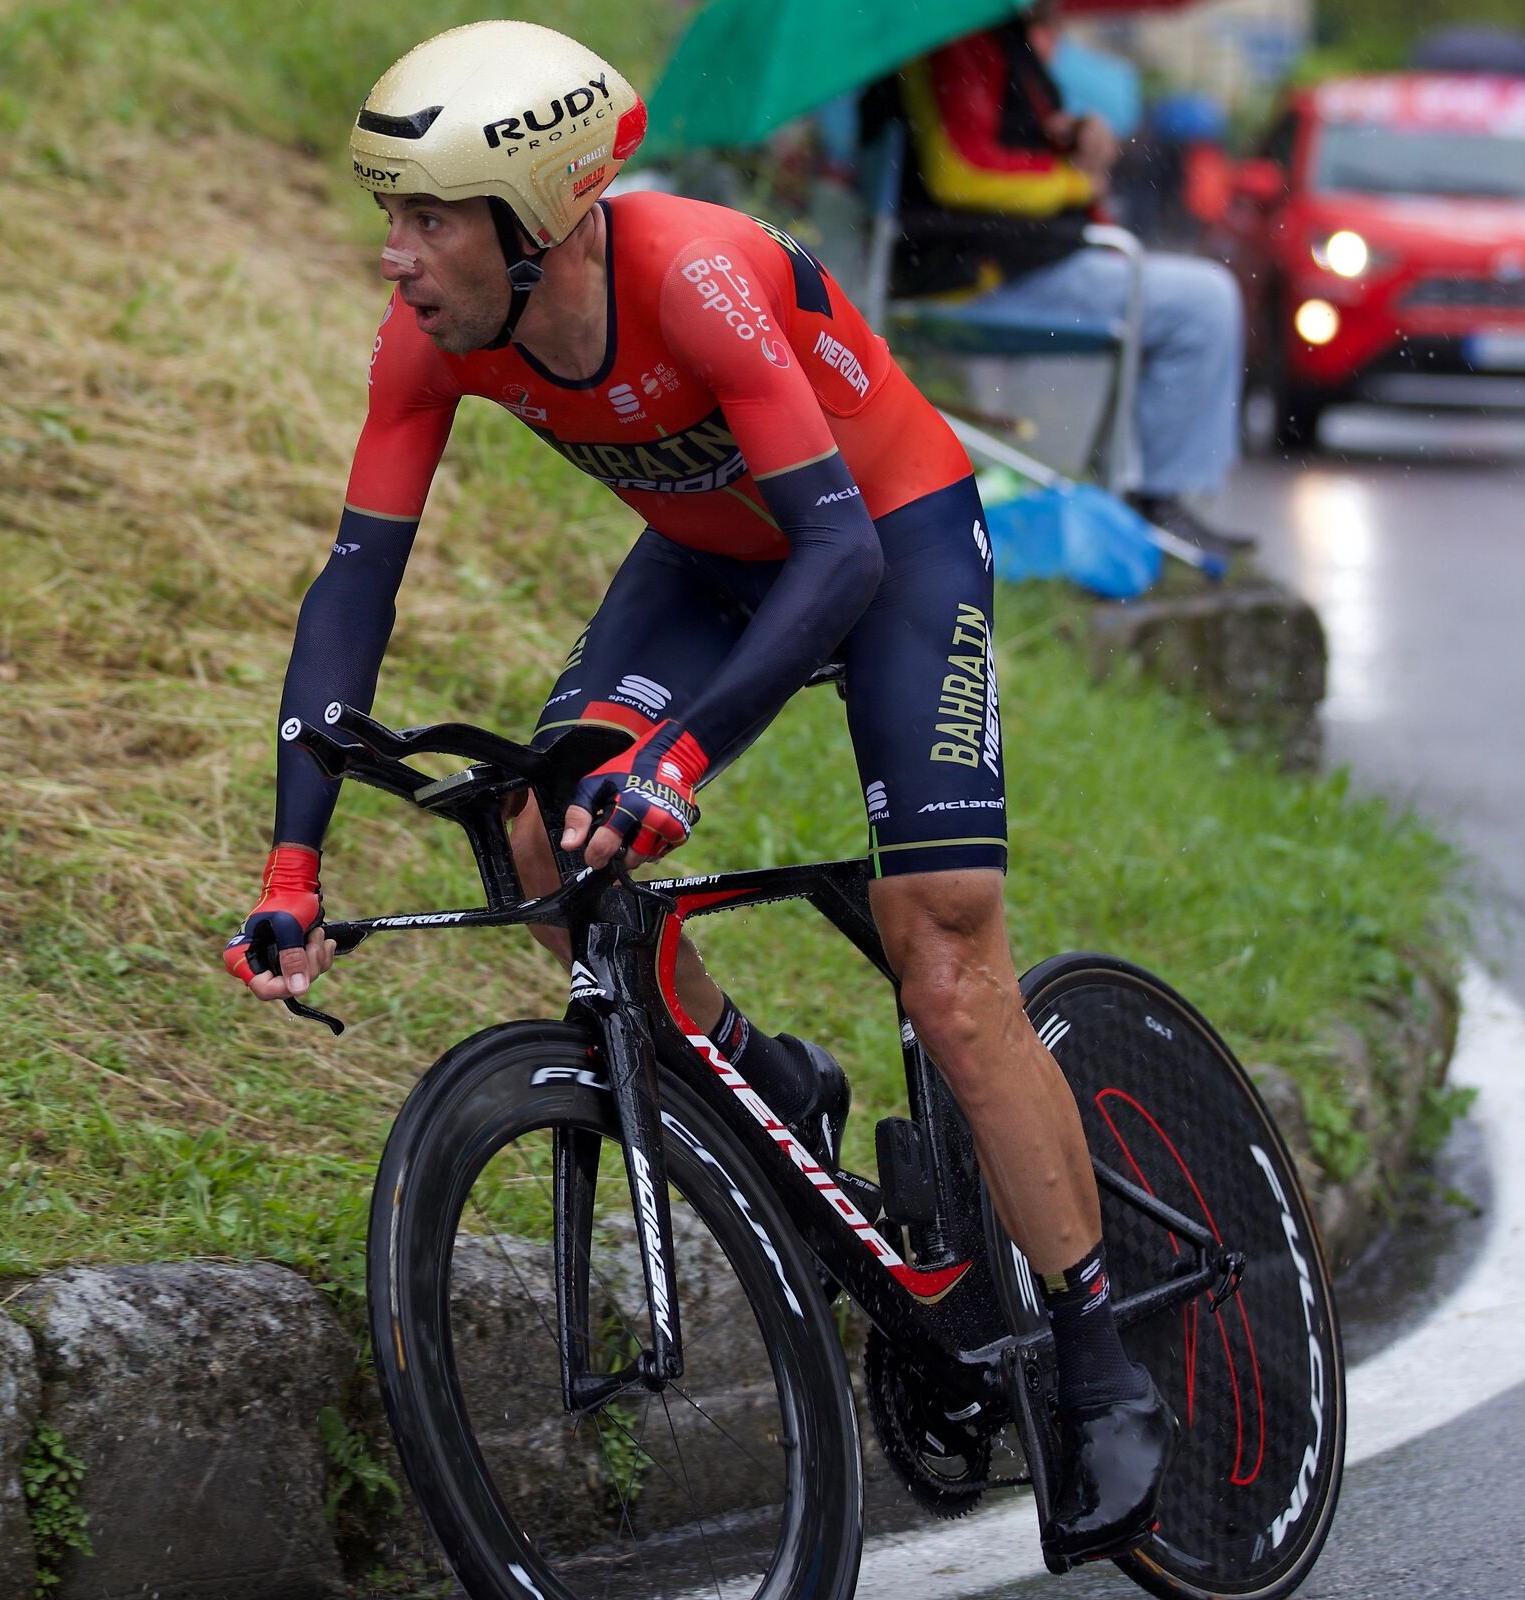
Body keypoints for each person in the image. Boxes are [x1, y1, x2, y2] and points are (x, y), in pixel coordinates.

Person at [221, 19, 1174, 1570]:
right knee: (540, 823)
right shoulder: (436, 337)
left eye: (427, 217)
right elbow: (353, 593)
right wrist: (292, 863)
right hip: (715, 557)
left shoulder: (700, 276)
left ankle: (1094, 1346)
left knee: (943, 953)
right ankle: (761, 1078)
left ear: (538, 222)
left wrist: (684, 758)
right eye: (385, 214)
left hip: (888, 538)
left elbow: (845, 556)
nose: (393, 256)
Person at [881, 0, 1250, 553]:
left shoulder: (985, 34)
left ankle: (1147, 495)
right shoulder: (953, 38)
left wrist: (1068, 132)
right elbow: (960, 170)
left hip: (1007, 263)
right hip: (976, 278)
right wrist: (1075, 182)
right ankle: (1157, 503)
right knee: (1205, 303)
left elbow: (993, 137)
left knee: (1197, 296)